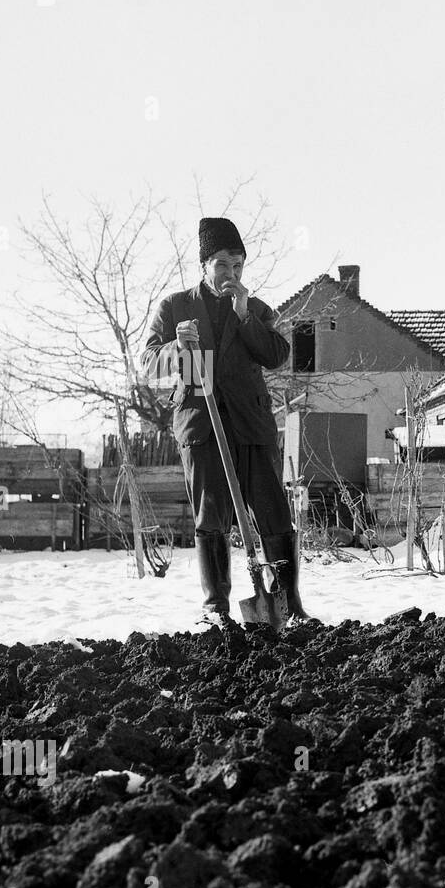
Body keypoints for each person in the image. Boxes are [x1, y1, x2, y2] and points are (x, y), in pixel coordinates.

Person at [142, 217, 311, 627]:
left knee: (273, 514)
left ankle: (288, 603)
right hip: (202, 427)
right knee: (211, 515)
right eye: (221, 265)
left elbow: (276, 355)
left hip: (251, 426)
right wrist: (174, 347)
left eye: (237, 266)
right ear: (203, 265)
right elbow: (149, 365)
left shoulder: (253, 308)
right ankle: (215, 606)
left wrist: (244, 317)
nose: (230, 275)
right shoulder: (175, 307)